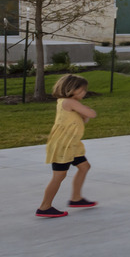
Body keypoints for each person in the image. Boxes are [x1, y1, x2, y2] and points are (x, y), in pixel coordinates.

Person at [37, 73, 95, 218]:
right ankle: (44, 207)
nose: (84, 93)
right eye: (81, 90)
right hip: (63, 145)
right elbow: (91, 114)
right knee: (59, 175)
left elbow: (85, 119)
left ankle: (76, 198)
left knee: (84, 167)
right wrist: (87, 112)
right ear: (71, 89)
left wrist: (84, 114)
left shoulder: (69, 103)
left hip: (72, 146)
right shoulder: (70, 102)